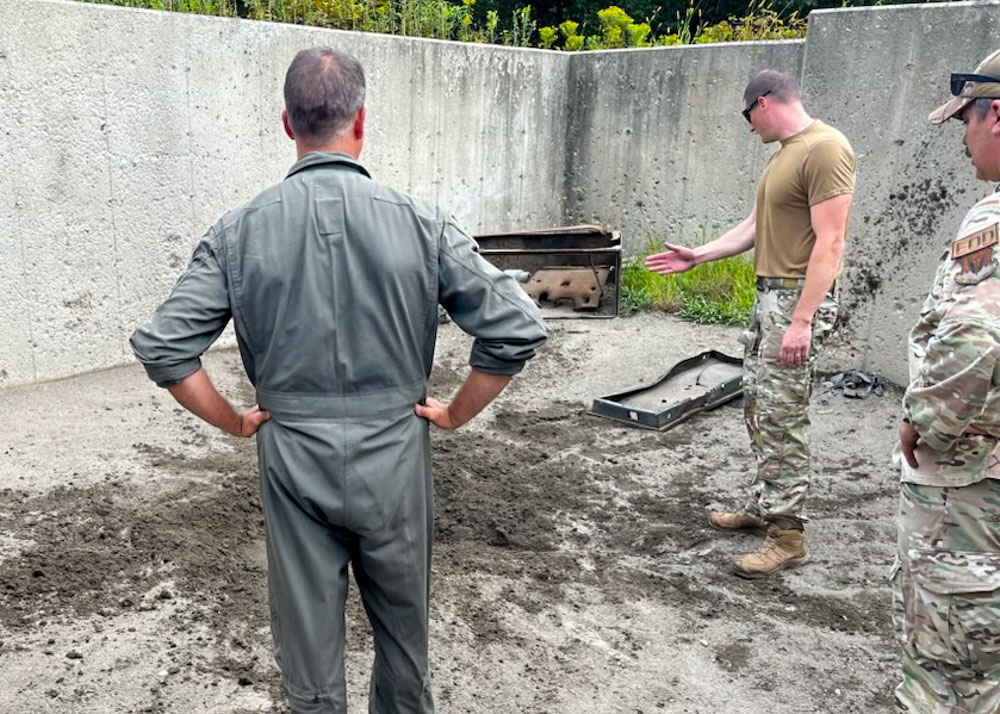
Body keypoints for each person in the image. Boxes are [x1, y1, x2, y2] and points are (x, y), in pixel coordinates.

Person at [130, 47, 546, 714]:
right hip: (396, 452)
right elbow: (516, 327)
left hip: (293, 456)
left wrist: (234, 420)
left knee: (310, 660)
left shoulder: (236, 233)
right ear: (360, 121)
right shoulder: (424, 222)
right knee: (405, 643)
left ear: (288, 124)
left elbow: (164, 349)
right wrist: (457, 412)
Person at [645, 70, 855, 578]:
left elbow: (831, 242)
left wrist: (801, 320)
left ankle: (788, 535)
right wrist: (700, 255)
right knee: (759, 406)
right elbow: (755, 227)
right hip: (771, 301)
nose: (747, 127)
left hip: (793, 300)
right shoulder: (786, 154)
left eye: (747, 115)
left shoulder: (826, 149)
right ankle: (766, 506)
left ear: (763, 103)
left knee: (784, 417)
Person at [893, 48, 1000, 714]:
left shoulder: (992, 222)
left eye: (966, 120)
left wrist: (925, 420)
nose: (962, 138)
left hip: (970, 480)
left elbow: (975, 332)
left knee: (947, 657)